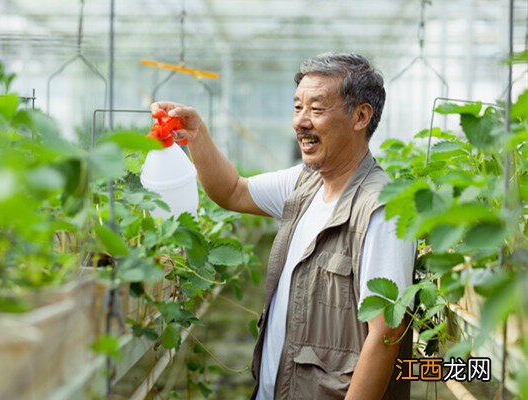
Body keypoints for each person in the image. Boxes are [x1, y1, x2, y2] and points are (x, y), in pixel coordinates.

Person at [151, 52, 415, 400]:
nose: (301, 122)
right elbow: (232, 191)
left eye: (316, 109)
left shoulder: (383, 210)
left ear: (361, 116)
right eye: (297, 108)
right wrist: (197, 135)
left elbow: (384, 337)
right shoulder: (305, 183)